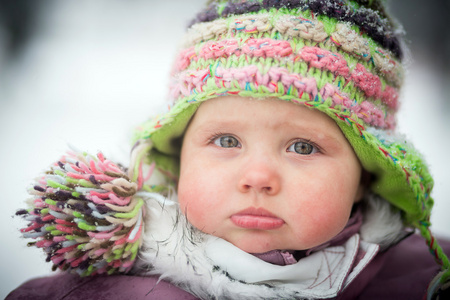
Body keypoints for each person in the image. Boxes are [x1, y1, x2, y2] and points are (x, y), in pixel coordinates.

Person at [7, 0, 450, 299]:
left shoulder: (423, 278)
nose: (257, 176)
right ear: (177, 159)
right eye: (226, 141)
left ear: (365, 176)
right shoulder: (107, 291)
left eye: (302, 146)